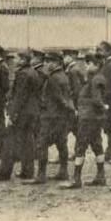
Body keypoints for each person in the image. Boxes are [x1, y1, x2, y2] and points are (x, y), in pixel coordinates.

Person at [0, 49, 43, 182]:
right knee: (28, 142)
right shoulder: (34, 72)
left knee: (9, 142)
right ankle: (27, 171)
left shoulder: (23, 74)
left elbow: (19, 97)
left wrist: (13, 114)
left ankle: (3, 173)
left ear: (24, 60)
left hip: (21, 113)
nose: (16, 60)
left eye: (18, 58)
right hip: (32, 112)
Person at [26, 50, 75, 184]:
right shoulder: (63, 75)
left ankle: (41, 175)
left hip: (50, 116)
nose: (46, 64)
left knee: (42, 144)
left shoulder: (53, 78)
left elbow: (59, 99)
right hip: (60, 117)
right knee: (61, 143)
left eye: (49, 61)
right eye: (46, 61)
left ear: (57, 62)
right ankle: (63, 171)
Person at [61, 54, 108, 188]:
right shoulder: (94, 78)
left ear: (97, 65)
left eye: (89, 63)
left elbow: (97, 99)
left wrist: (103, 106)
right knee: (96, 145)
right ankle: (101, 176)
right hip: (92, 117)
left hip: (88, 118)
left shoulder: (96, 79)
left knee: (81, 146)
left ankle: (76, 179)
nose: (86, 66)